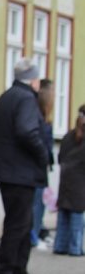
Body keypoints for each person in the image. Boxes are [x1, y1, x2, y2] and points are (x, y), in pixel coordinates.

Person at [0, 57, 48, 274]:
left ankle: (18, 269)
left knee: (22, 222)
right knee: (19, 223)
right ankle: (4, 270)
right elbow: (26, 131)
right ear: (34, 80)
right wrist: (43, 155)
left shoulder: (7, 96)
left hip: (9, 169)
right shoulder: (26, 99)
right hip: (21, 170)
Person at [53, 105, 85, 256]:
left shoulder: (67, 136)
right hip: (80, 182)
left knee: (64, 213)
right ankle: (75, 247)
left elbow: (60, 158)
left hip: (65, 179)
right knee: (77, 216)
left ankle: (60, 245)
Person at [31, 78, 55, 248]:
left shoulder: (42, 116)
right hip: (36, 166)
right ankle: (33, 236)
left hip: (39, 165)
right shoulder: (40, 118)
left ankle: (35, 234)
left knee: (37, 204)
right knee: (35, 205)